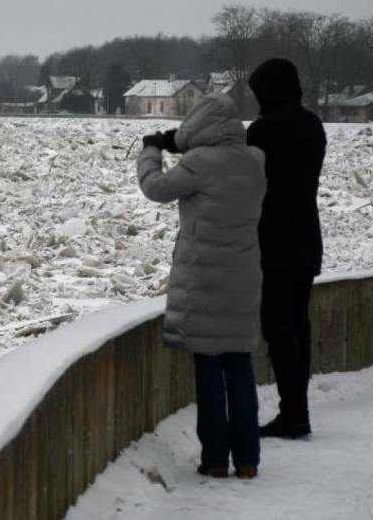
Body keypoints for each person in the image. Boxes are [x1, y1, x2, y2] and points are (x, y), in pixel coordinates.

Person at [137, 93, 267, 479]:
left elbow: (155, 188)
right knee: (240, 369)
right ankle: (247, 459)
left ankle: (215, 459)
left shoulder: (198, 164)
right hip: (244, 279)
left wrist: (151, 150)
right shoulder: (256, 161)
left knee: (209, 371)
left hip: (204, 281)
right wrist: (181, 140)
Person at [246, 58, 326, 439]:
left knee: (278, 328)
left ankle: (292, 414)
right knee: (299, 325)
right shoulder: (313, 125)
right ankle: (298, 410)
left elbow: (246, 179)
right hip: (306, 237)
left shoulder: (264, 130)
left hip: (273, 241)